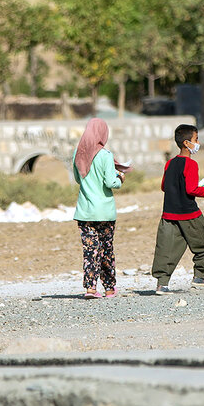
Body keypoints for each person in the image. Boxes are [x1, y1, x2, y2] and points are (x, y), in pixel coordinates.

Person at [151, 124, 204, 294]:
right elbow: (191, 189)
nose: (198, 143)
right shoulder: (191, 164)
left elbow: (164, 186)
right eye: (196, 139)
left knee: (167, 249)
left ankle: (162, 284)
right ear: (187, 143)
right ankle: (199, 276)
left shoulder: (169, 163)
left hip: (169, 214)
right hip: (189, 214)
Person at [72, 116, 125, 299]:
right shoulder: (105, 155)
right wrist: (120, 178)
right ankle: (109, 288)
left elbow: (78, 179)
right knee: (107, 250)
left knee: (90, 250)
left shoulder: (78, 154)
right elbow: (111, 182)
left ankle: (90, 289)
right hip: (104, 212)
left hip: (85, 212)